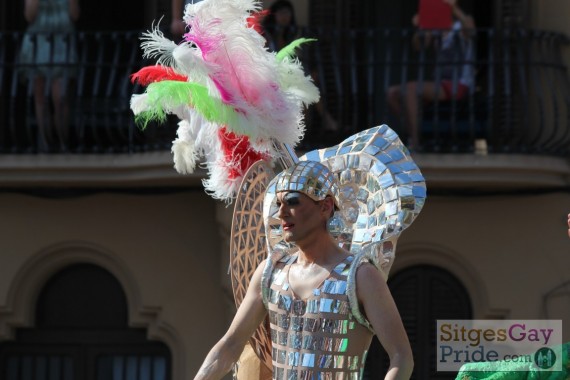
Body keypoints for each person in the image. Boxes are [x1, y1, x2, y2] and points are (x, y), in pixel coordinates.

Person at [193, 161, 414, 380]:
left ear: (325, 207)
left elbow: (401, 356)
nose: (281, 213)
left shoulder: (361, 275)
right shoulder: (270, 272)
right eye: (278, 204)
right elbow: (231, 344)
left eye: (292, 202)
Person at [387, 0, 475, 151]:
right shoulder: (437, 28)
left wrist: (455, 9)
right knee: (392, 93)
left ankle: (415, 142)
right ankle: (413, 132)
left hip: (459, 83)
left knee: (411, 89)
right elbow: (418, 45)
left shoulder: (462, 24)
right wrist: (421, 27)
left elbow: (471, 32)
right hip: (440, 83)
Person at [262, 0, 339, 133]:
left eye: (287, 13)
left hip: (296, 76)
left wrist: (313, 72)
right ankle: (322, 119)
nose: (285, 16)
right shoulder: (268, 34)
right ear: (274, 15)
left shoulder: (296, 32)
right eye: (281, 13)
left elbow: (306, 57)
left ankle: (307, 130)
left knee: (306, 89)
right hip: (274, 77)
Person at [20, 0, 80, 152]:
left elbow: (75, 15)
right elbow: (29, 15)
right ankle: (45, 142)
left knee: (60, 97)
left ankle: (62, 142)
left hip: (62, 41)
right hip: (38, 40)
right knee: (40, 97)